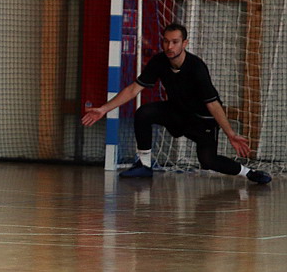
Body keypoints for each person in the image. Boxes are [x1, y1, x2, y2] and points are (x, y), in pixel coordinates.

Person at [82, 23, 271, 184]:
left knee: (208, 161)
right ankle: (144, 165)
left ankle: (249, 173)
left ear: (184, 43)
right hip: (178, 112)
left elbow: (213, 104)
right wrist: (103, 109)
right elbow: (133, 89)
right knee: (144, 113)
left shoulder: (197, 68)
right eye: (166, 41)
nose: (169, 46)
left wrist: (231, 134)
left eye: (175, 42)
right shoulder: (159, 61)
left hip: (202, 120)